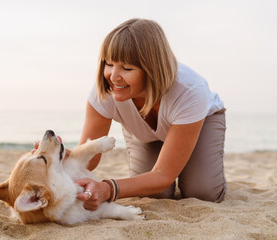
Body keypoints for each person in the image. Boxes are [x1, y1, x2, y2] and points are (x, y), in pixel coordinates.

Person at [36, 18, 227, 211]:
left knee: (203, 192)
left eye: (127, 68)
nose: (113, 76)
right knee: (155, 193)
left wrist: (109, 189)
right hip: (145, 133)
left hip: (199, 123)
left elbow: (163, 175)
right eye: (109, 64)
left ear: (152, 69)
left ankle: (195, 166)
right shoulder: (104, 92)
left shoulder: (190, 91)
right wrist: (60, 157)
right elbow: (90, 160)